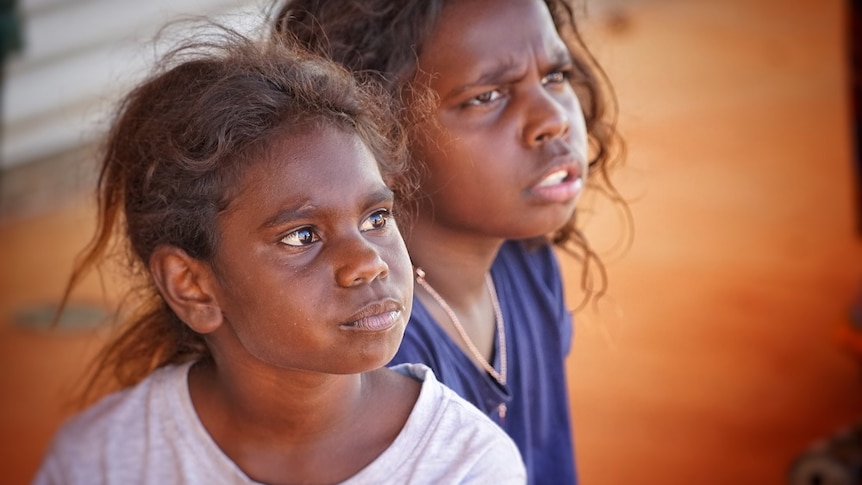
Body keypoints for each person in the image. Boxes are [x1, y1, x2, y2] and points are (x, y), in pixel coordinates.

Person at [32, 24, 526, 485]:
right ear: (192, 284)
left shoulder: (466, 465)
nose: (368, 263)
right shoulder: (104, 460)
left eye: (376, 218)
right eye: (302, 236)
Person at [273, 1, 628, 483]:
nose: (553, 119)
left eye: (554, 75)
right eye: (486, 97)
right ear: (379, 134)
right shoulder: (373, 354)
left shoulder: (525, 262)